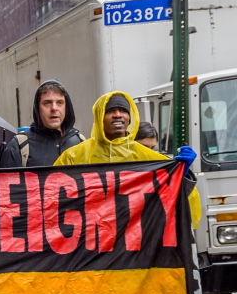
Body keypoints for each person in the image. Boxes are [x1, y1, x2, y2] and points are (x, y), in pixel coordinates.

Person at [54, 91, 200, 224]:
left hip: (134, 245)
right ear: (100, 117)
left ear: (130, 118)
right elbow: (52, 195)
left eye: (123, 110)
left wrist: (182, 174)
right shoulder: (73, 156)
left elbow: (176, 201)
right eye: (110, 111)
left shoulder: (147, 156)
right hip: (92, 242)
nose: (118, 114)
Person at [0, 79, 84, 167]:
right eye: (47, 103)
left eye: (60, 103)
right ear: (37, 108)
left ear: (66, 107)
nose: (54, 108)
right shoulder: (19, 146)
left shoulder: (80, 141)